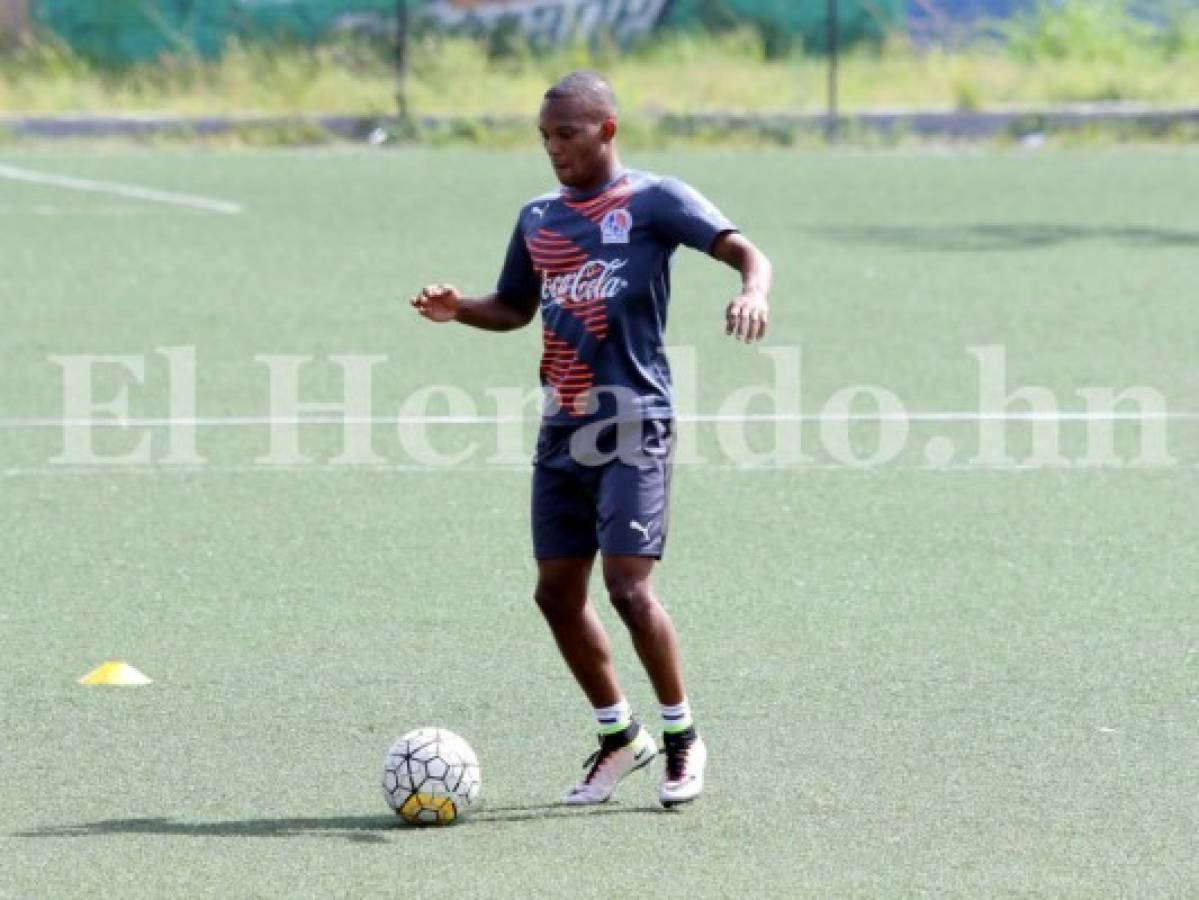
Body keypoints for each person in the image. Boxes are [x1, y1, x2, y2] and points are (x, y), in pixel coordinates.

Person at [410, 71, 772, 808]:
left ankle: (681, 739)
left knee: (629, 588)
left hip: (635, 418)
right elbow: (513, 307)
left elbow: (746, 253)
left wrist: (752, 290)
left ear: (606, 130)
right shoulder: (538, 216)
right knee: (554, 592)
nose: (553, 149)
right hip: (562, 426)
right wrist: (460, 310)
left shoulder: (654, 200)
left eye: (566, 135)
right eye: (544, 137)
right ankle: (619, 736)